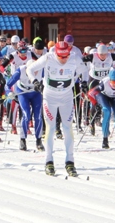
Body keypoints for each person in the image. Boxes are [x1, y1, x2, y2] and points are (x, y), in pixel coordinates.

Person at [25, 39, 86, 176]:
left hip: (67, 98)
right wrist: (34, 81)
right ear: (56, 53)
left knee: (67, 127)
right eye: (61, 57)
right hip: (50, 98)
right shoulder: (48, 57)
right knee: (51, 128)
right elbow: (30, 69)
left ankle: (70, 161)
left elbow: (84, 70)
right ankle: (49, 161)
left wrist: (85, 82)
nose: (64, 59)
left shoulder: (74, 58)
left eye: (66, 56)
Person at [96, 68, 115, 150]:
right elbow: (92, 92)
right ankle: (105, 139)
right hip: (104, 96)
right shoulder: (104, 83)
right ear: (110, 80)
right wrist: (96, 104)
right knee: (107, 111)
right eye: (113, 82)